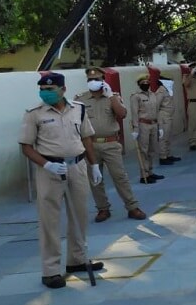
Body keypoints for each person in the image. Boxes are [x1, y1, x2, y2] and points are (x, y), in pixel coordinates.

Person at [19, 72, 104, 289]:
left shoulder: (79, 108)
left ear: (63, 89)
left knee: (80, 215)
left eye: (50, 89)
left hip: (77, 165)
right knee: (50, 220)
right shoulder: (33, 114)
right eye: (43, 89)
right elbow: (26, 147)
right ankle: (51, 270)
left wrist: (93, 165)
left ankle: (76, 260)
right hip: (50, 169)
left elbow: (86, 138)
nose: (45, 93)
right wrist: (46, 164)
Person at [73, 68, 148, 223]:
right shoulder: (80, 99)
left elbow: (122, 114)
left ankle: (132, 207)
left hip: (111, 143)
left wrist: (111, 97)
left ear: (103, 80)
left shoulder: (112, 97)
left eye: (97, 79)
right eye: (90, 80)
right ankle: (102, 208)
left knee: (120, 176)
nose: (93, 82)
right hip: (90, 144)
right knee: (95, 178)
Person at [129, 73, 164, 184]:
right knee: (143, 150)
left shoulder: (153, 95)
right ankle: (144, 175)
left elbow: (157, 111)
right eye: (143, 83)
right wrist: (135, 129)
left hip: (153, 124)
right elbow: (134, 113)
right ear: (139, 84)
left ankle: (150, 172)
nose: (145, 84)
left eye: (147, 82)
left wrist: (160, 127)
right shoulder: (136, 96)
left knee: (152, 150)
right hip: (143, 125)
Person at [156, 76, 180, 165]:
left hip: (169, 116)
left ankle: (168, 154)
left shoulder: (167, 90)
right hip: (163, 117)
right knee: (164, 137)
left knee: (169, 136)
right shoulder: (161, 91)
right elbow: (156, 105)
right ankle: (163, 157)